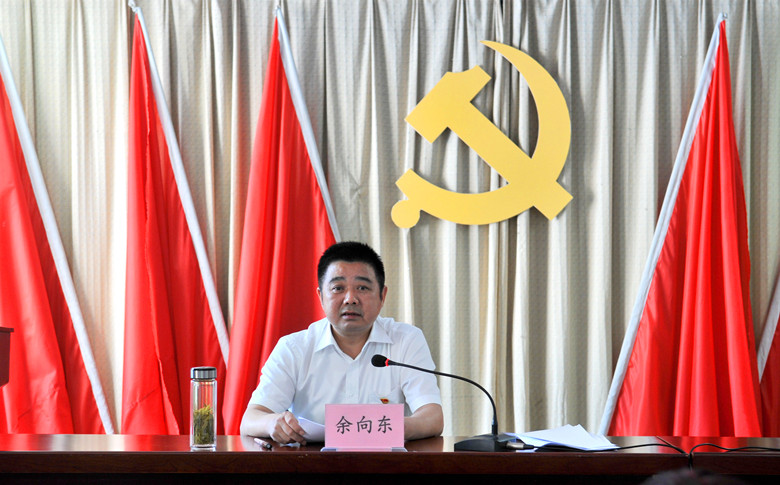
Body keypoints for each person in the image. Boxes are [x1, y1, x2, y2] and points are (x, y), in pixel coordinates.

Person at [240, 241, 444, 444]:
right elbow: (251, 419)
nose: (350, 299)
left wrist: (392, 428)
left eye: (362, 288)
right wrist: (273, 423)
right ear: (321, 296)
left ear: (382, 296)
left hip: (386, 461)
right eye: (338, 288)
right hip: (312, 462)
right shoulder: (294, 348)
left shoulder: (406, 340)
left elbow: (432, 417)